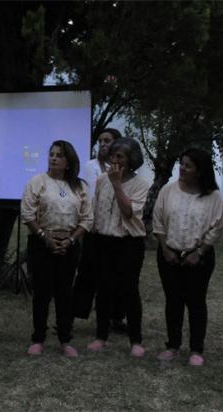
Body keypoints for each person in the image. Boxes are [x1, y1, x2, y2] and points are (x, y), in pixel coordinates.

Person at [152, 148, 223, 366]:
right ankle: (173, 344)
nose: (182, 169)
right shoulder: (168, 190)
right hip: (169, 254)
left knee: (196, 302)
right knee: (173, 300)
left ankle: (196, 349)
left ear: (200, 171)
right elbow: (158, 220)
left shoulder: (213, 196)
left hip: (199, 258)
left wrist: (199, 252)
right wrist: (165, 249)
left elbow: (216, 226)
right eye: (181, 164)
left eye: (188, 166)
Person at [21, 140, 92, 357]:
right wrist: (45, 238)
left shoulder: (79, 187)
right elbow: (28, 214)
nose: (53, 158)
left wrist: (70, 240)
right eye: (51, 154)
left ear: (68, 162)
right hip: (42, 243)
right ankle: (38, 338)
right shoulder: (38, 181)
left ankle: (64, 339)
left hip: (69, 245)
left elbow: (87, 218)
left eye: (59, 155)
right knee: (42, 292)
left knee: (65, 293)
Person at [86, 138, 150, 357]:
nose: (114, 161)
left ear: (131, 160)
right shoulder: (101, 180)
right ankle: (101, 336)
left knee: (129, 290)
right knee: (103, 289)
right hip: (103, 241)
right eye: (112, 156)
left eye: (120, 157)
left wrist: (116, 184)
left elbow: (129, 212)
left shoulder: (140, 183)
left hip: (129, 243)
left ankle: (136, 340)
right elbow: (95, 209)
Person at [74, 128, 127, 333]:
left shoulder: (126, 168)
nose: (103, 144)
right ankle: (74, 315)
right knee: (87, 273)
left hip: (117, 228)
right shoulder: (91, 166)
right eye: (100, 141)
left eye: (107, 141)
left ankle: (116, 317)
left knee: (117, 275)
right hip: (95, 227)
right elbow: (91, 194)